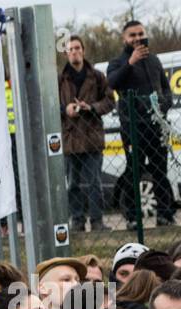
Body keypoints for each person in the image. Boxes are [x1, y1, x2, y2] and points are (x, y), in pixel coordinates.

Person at [107, 20, 176, 227]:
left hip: (157, 127)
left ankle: (165, 215)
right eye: (132, 35)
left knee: (159, 171)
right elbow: (112, 83)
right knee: (133, 171)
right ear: (124, 38)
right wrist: (131, 62)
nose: (137, 38)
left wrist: (163, 106)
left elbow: (166, 90)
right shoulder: (117, 63)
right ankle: (132, 217)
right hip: (132, 128)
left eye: (140, 34)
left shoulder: (154, 60)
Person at [59, 36, 114, 233]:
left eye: (77, 48)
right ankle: (77, 221)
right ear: (66, 53)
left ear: (83, 50)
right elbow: (51, 106)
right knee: (72, 183)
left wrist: (91, 107)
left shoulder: (98, 77)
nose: (74, 52)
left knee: (94, 183)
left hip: (92, 137)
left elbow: (110, 101)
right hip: (70, 138)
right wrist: (66, 110)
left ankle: (97, 221)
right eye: (70, 49)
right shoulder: (60, 80)